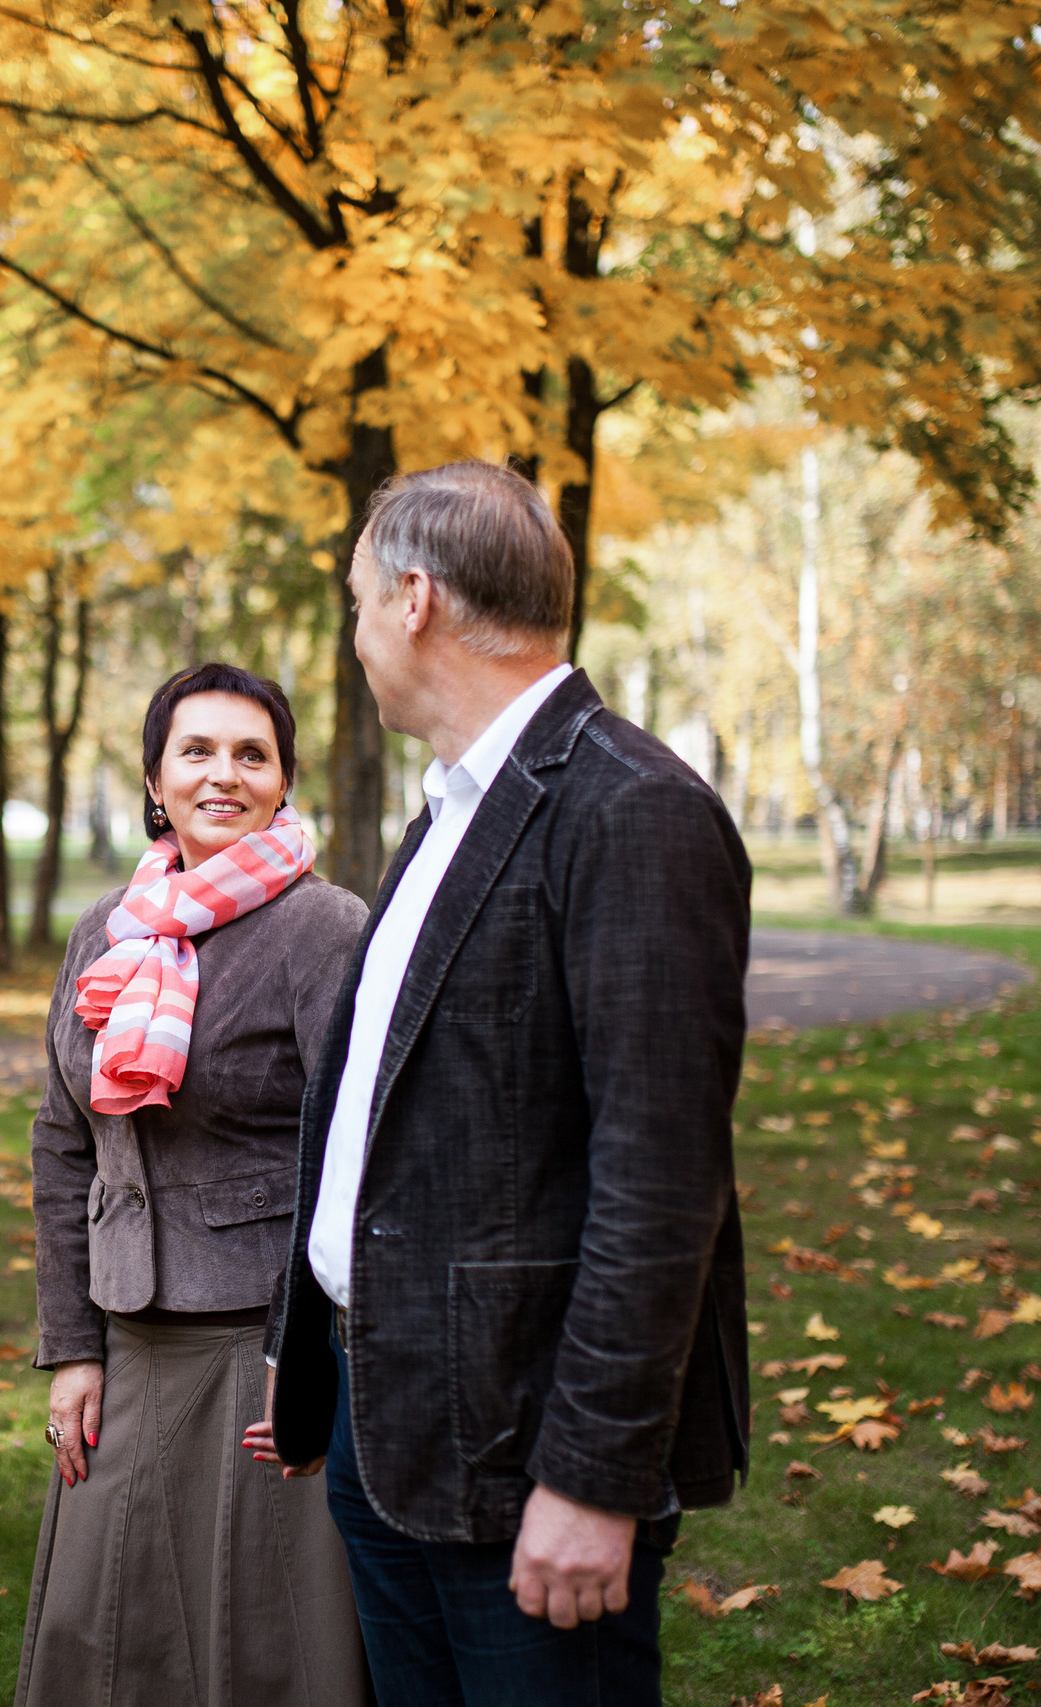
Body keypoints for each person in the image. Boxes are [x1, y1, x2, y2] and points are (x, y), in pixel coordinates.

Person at [253, 462, 752, 1707]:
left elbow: (660, 1184)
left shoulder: (630, 812)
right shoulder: (449, 814)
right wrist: (306, 1345)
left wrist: (593, 1479)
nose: (356, 631)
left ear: (414, 599)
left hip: (526, 1447)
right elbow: (388, 1103)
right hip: (388, 1416)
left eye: (359, 601)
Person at [17, 662, 373, 1707]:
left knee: (272, 1644)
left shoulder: (324, 930)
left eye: (250, 754)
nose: (224, 774)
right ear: (156, 776)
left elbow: (351, 1156)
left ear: (283, 780)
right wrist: (71, 1348)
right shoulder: (107, 934)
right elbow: (60, 1143)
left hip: (262, 1352)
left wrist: (301, 1351)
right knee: (106, 1633)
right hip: (125, 1342)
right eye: (199, 751)